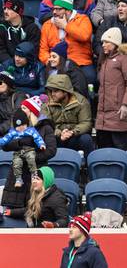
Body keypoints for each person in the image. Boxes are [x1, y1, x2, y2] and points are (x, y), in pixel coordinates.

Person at [0, 95, 55, 223]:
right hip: (18, 174)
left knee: (34, 208)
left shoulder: (46, 128)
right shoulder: (19, 126)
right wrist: (19, 143)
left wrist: (32, 157)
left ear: (32, 111)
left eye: (24, 108)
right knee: (15, 209)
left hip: (36, 172)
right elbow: (6, 145)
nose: (21, 110)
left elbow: (51, 150)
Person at [94, 27, 127, 150]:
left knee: (119, 150)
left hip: (118, 113)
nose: (103, 45)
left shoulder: (125, 58)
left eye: (107, 42)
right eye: (102, 42)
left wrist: (125, 105)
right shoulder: (104, 60)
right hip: (102, 116)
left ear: (115, 43)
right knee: (103, 151)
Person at [39, 0, 93, 83]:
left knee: (90, 77)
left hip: (80, 62)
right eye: (54, 9)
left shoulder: (83, 19)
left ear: (68, 11)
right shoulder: (47, 25)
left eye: (58, 9)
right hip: (56, 63)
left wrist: (65, 26)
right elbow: (43, 50)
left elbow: (85, 36)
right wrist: (50, 61)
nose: (54, 12)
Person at [42, 73, 92, 155]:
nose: (52, 94)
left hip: (74, 135)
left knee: (86, 139)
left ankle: (88, 165)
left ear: (65, 92)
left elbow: (86, 122)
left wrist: (72, 132)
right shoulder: (46, 104)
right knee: (45, 137)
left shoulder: (81, 101)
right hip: (56, 136)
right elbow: (45, 124)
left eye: (56, 91)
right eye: (50, 91)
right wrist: (59, 133)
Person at [0, 107, 46, 188]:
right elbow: (5, 139)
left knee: (31, 159)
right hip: (18, 152)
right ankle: (18, 179)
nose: (21, 128)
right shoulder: (12, 132)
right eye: (18, 126)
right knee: (16, 163)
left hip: (29, 150)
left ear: (27, 124)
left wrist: (41, 144)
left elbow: (37, 137)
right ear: (15, 126)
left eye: (23, 125)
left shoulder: (31, 130)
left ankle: (34, 175)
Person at [0, 0, 40, 64]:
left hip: (27, 65)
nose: (5, 11)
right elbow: (1, 50)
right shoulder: (2, 27)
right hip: (7, 64)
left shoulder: (32, 28)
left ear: (18, 13)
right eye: (5, 8)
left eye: (9, 9)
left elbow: (33, 50)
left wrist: (21, 62)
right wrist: (10, 63)